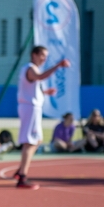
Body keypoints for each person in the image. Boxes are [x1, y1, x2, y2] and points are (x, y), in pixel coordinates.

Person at [14, 45, 71, 189]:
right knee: (29, 142)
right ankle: (22, 177)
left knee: (37, 140)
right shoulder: (31, 68)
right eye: (42, 55)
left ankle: (21, 170)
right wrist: (58, 65)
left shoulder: (31, 69)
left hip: (32, 107)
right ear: (34, 55)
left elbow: (32, 86)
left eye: (45, 56)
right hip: (29, 108)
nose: (44, 58)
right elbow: (39, 77)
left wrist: (44, 92)